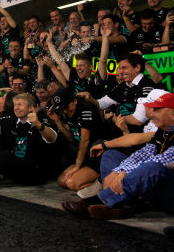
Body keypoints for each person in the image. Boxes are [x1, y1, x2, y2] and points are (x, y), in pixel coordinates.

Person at [62, 92, 174, 220]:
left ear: (172, 114)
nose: (152, 113)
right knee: (110, 155)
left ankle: (97, 201)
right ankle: (119, 203)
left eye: (157, 110)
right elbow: (145, 153)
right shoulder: (164, 130)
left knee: (153, 168)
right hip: (151, 185)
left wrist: (124, 172)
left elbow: (160, 161)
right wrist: (119, 171)